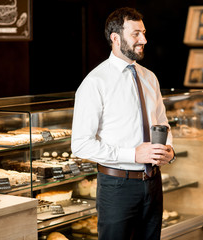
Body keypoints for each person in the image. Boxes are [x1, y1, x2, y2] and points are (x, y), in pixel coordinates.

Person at [71, 7, 175, 240]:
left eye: (144, 33)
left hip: (153, 183)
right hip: (117, 187)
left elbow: (162, 123)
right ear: (115, 38)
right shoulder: (95, 82)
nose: (144, 40)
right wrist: (132, 154)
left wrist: (170, 149)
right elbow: (80, 144)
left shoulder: (150, 77)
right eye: (136, 34)